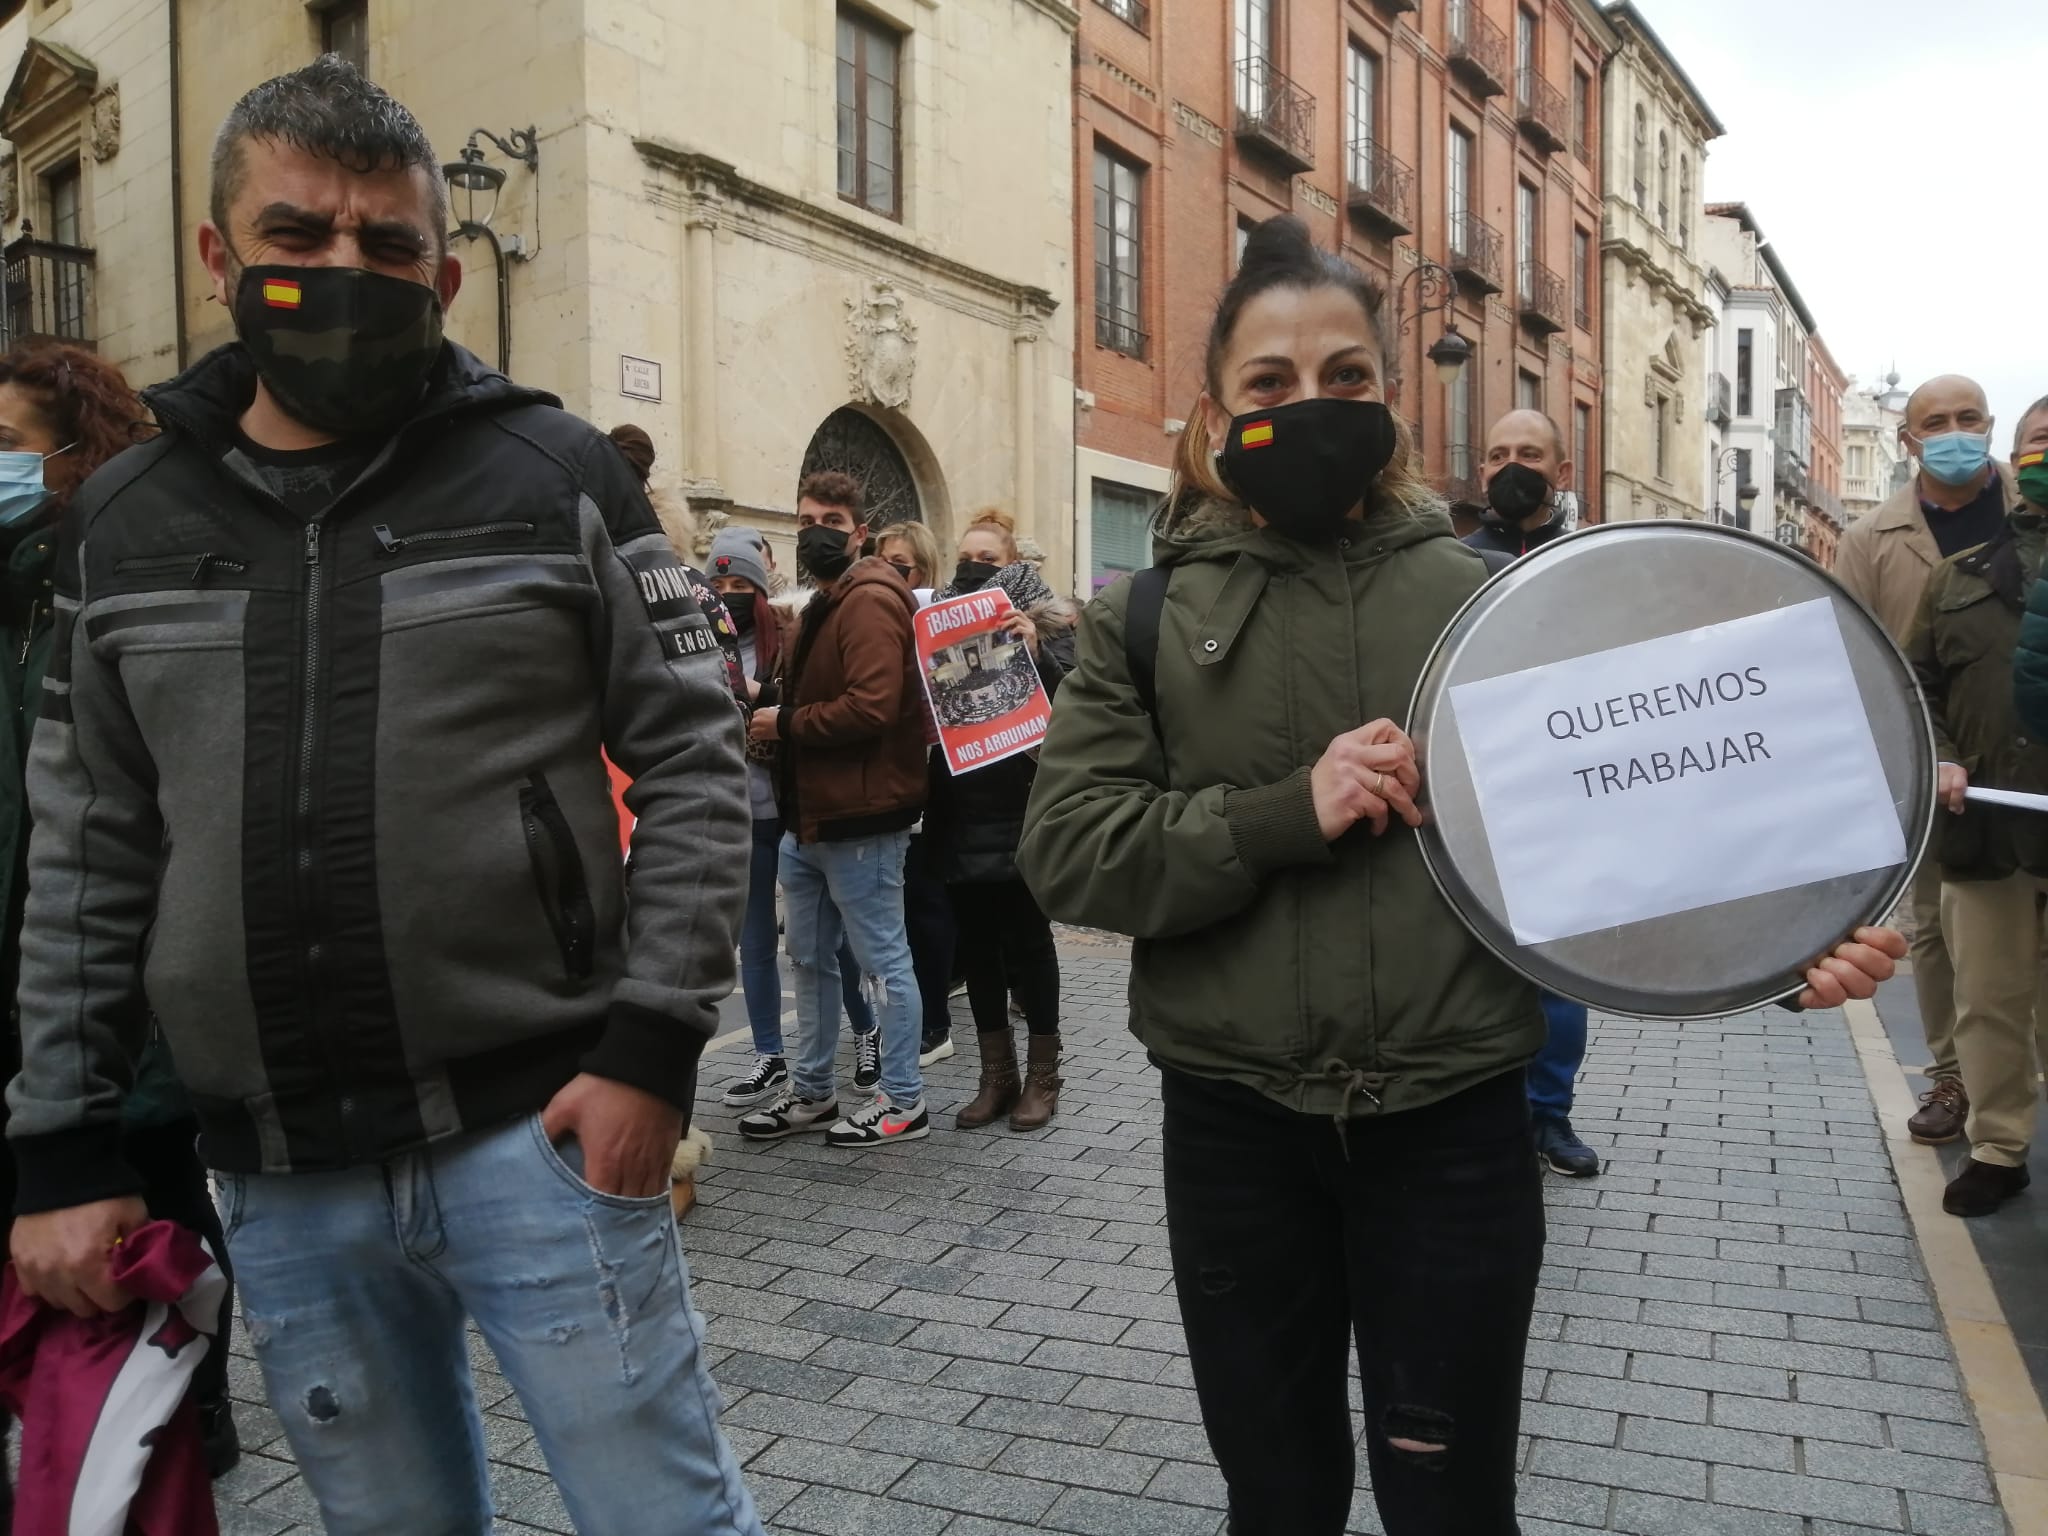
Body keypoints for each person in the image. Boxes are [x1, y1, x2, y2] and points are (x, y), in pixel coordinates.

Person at [1016, 215, 1905, 1535]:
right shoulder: (1142, 619)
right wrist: (1282, 814)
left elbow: (1648, 831)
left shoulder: (1499, 608)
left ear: (1393, 400)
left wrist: (1790, 948)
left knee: (1453, 1503)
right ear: (1214, 415)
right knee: (1278, 1497)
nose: (1307, 405)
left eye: (1345, 378)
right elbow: (1067, 850)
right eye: (1268, 384)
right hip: (1235, 1133)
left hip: (1453, 1139)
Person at [3, 60, 763, 1536]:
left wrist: (655, 1052)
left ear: (446, 273)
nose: (343, 271)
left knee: (668, 1522)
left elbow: (694, 754)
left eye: (386, 245)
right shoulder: (126, 525)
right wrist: (63, 1141)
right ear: (221, 261)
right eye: (297, 238)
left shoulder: (555, 476)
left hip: (539, 1135)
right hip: (283, 1177)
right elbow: (86, 853)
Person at [0, 344, 241, 1502]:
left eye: (3, 443)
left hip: (125, 1013)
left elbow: (117, 831)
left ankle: (181, 1421)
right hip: (32, 1001)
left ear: (66, 450)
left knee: (153, 1222)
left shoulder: (117, 579)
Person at [1835, 375, 2020, 1147]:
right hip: (1929, 767)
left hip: (2027, 759)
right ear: (1908, 440)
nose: (1954, 433)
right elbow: (1845, 653)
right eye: (1935, 422)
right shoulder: (1872, 537)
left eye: (1968, 418)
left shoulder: (2028, 515)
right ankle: (1951, 1078)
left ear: (1990, 425)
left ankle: (2015, 1076)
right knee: (1940, 927)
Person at [739, 471, 930, 1146]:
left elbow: (873, 708)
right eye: (807, 516)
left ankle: (904, 1099)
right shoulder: (827, 601)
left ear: (859, 531)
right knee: (811, 960)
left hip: (862, 817)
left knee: (882, 959)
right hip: (812, 820)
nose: (817, 528)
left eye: (831, 518)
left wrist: (785, 723)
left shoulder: (872, 599)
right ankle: (815, 1091)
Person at [1909, 394, 2048, 1217]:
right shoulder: (1955, 577)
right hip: (1987, 824)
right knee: (1988, 1000)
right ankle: (2000, 1148)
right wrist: (1946, 755)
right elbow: (1917, 682)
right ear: (2016, 457)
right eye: (2041, 438)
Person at [705, 523, 882, 1106]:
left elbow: (819, 707)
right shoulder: (703, 643)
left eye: (738, 580)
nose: (728, 590)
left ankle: (867, 1033)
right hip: (737, 812)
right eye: (719, 579)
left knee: (828, 941)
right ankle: (769, 1055)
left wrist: (765, 696)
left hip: (795, 810)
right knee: (754, 939)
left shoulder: (789, 633)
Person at [1464, 410, 1598, 1178]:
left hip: (1568, 794)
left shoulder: (1588, 559)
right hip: (1478, 791)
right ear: (1482, 471)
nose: (1512, 466)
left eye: (1530, 454)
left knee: (1558, 970)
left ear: (1563, 472)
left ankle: (1550, 1116)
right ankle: (1486, 1114)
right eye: (1498, 453)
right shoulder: (1449, 562)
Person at [926, 510, 1075, 1129]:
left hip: (1019, 807)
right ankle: (997, 1075)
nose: (973, 567)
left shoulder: (1049, 625)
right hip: (959, 807)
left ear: (1012, 565)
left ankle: (1044, 1075)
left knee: (1028, 943)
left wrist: (1036, 654)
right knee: (978, 947)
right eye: (966, 556)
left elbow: (1076, 704)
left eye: (986, 558)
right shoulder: (932, 624)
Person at [875, 518, 962, 1065]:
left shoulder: (938, 624)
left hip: (935, 775)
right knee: (899, 904)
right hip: (890, 775)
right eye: (880, 564)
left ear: (924, 573)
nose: (889, 577)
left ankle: (935, 1023)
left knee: (926, 899)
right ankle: (906, 1018)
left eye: (899, 568)